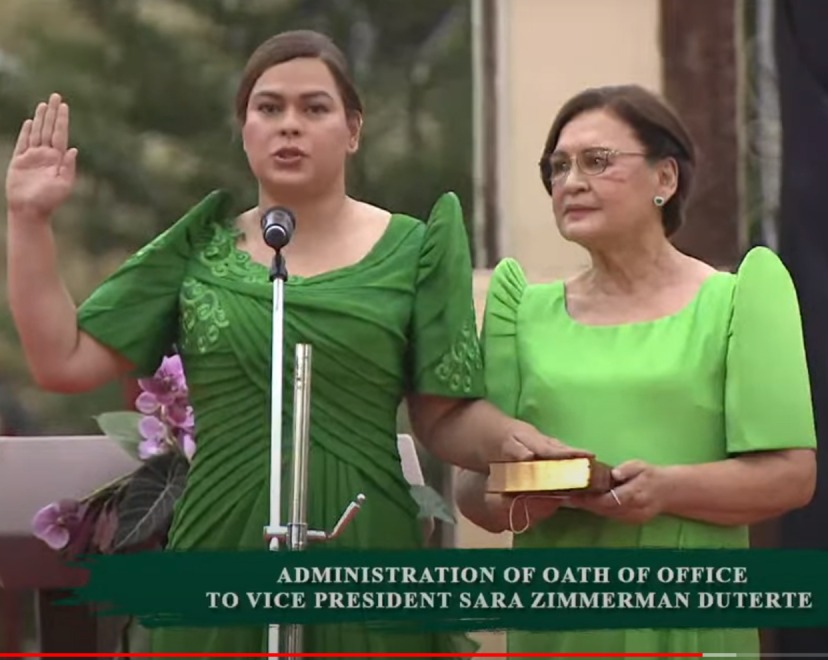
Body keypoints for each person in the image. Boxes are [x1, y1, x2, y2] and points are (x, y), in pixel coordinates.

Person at [4, 30, 583, 655]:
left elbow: (444, 417)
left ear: (352, 130)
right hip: (219, 550)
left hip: (364, 548)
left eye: (314, 108)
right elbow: (62, 360)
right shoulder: (199, 248)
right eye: (269, 107)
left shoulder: (416, 249)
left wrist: (510, 442)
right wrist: (29, 220)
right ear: (244, 129)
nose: (289, 125)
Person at [454, 84, 819, 656]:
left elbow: (792, 477)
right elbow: (472, 487)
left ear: (664, 178)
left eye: (597, 161)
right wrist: (526, 493)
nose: (571, 182)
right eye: (558, 167)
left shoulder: (737, 299)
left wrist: (667, 490)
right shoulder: (519, 309)